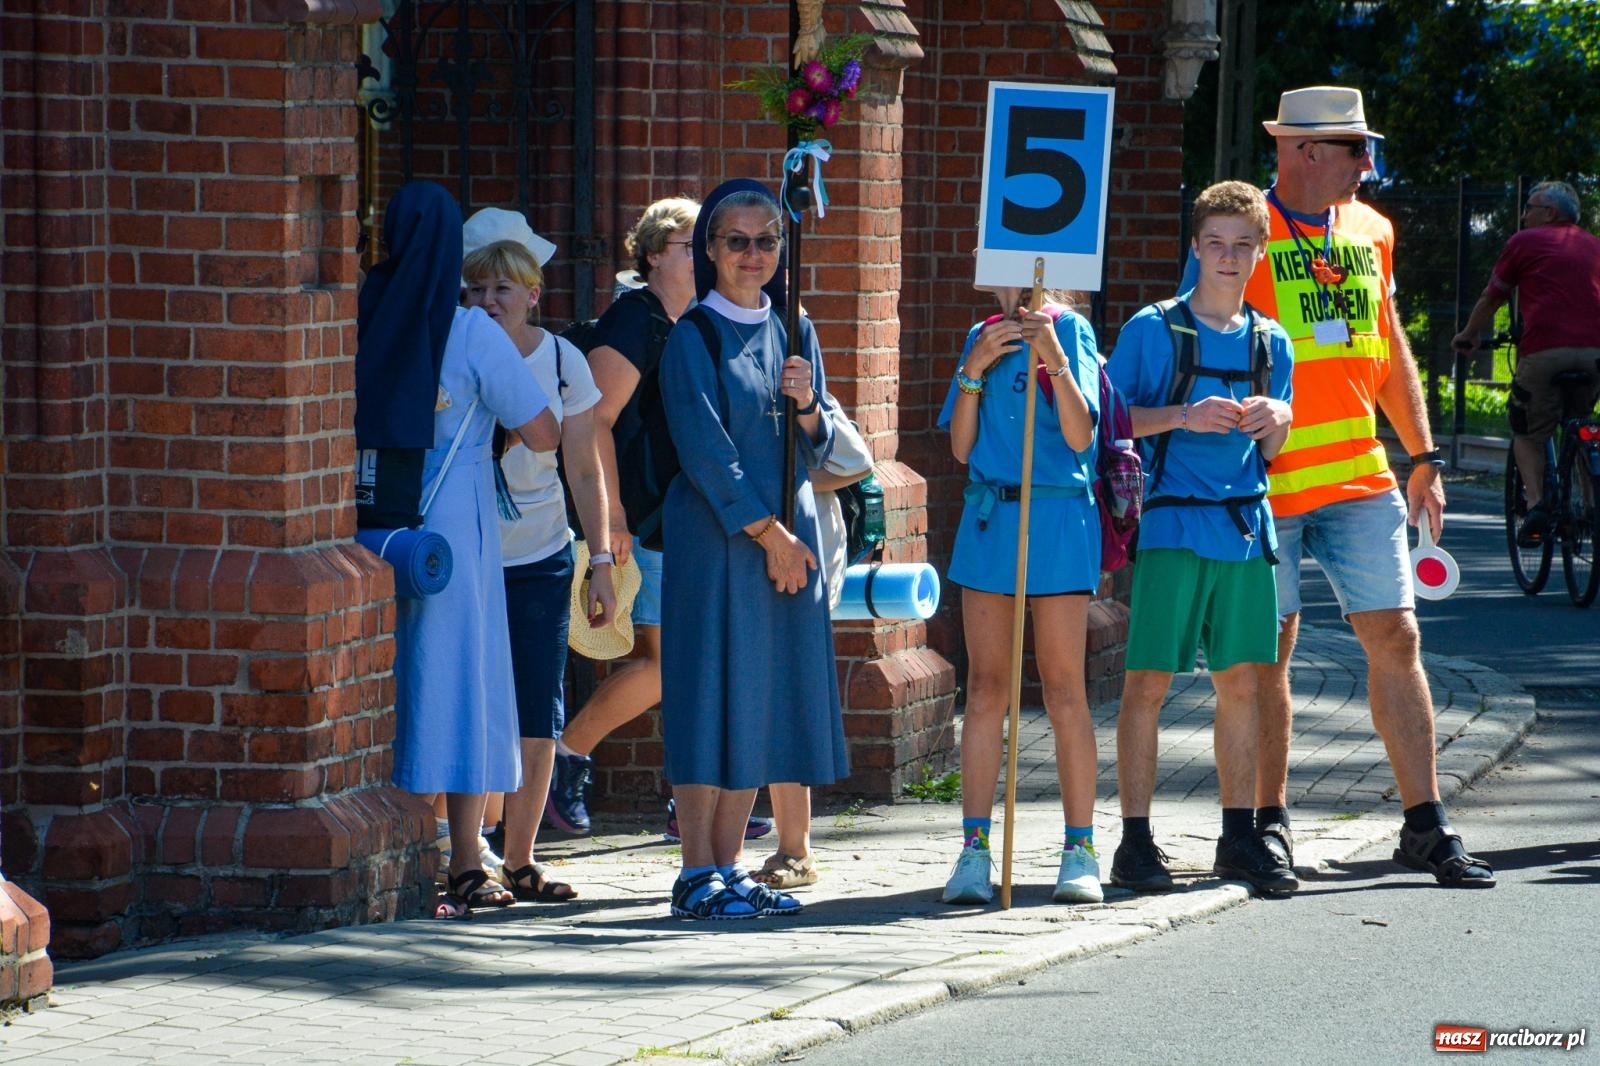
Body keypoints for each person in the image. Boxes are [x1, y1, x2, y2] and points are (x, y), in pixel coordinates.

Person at [1240, 86, 1494, 887]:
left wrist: (1424, 457)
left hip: (1359, 477)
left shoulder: (1371, 230)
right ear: (1305, 151)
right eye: (1356, 148)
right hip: (1267, 484)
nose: (1369, 164)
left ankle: (1425, 824)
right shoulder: (1245, 232)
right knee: (1267, 658)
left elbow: (1388, 344)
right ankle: (1266, 823)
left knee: (1400, 639)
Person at [356, 181, 561, 918]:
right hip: (453, 520)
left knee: (394, 680)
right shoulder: (470, 330)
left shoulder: (364, 309)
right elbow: (544, 430)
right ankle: (466, 860)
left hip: (374, 520)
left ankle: (397, 841)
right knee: (465, 682)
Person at [546, 196, 771, 847]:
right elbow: (593, 421)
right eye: (685, 244)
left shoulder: (704, 320)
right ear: (650, 255)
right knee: (667, 664)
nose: (703, 256)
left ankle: (690, 800)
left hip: (702, 517)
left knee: (691, 663)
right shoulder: (633, 322)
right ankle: (565, 757)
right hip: (649, 517)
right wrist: (610, 514)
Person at [655, 178, 848, 920]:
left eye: (767, 240)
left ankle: (728, 868)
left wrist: (806, 405)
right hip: (720, 539)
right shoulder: (693, 336)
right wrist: (770, 536)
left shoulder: (795, 327)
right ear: (710, 248)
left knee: (757, 699)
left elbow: (827, 441)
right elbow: (706, 454)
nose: (753, 255)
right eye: (736, 241)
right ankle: (694, 872)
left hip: (786, 539)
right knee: (710, 696)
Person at [1107, 181, 1296, 895]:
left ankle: (1240, 839)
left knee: (1245, 683)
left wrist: (1277, 420)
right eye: (1215, 243)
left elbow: (1274, 453)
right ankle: (1134, 842)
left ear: (1259, 252)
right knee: (1147, 685)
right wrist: (1184, 414)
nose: (1228, 256)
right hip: (1170, 526)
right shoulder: (1153, 329)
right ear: (1196, 247)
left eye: (1241, 245)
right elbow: (1108, 422)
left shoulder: (1272, 341)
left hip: (1246, 529)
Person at [936, 269, 1103, 907]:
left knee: (1063, 688)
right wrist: (974, 367)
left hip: (1058, 515)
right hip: (991, 517)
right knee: (984, 688)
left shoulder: (1072, 328)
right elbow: (960, 446)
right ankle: (974, 850)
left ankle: (1079, 849)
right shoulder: (979, 333)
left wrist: (1054, 358)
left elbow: (1082, 435)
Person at [462, 231, 618, 904]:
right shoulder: (458, 348)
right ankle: (467, 855)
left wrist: (602, 559)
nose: (489, 301)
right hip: (468, 557)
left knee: (537, 708)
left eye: (503, 289)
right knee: (471, 703)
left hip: (543, 555)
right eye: (477, 290)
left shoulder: (561, 360)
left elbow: (583, 465)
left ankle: (521, 861)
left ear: (532, 294)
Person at [1452, 180, 1600, 545]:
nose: (1523, 215)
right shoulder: (1594, 244)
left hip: (1544, 352)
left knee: (1527, 431)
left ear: (1549, 212)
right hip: (1596, 354)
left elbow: (1493, 297)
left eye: (1529, 207)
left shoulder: (1523, 243)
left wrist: (1469, 334)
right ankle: (1591, 507)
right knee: (1582, 424)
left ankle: (1537, 507)